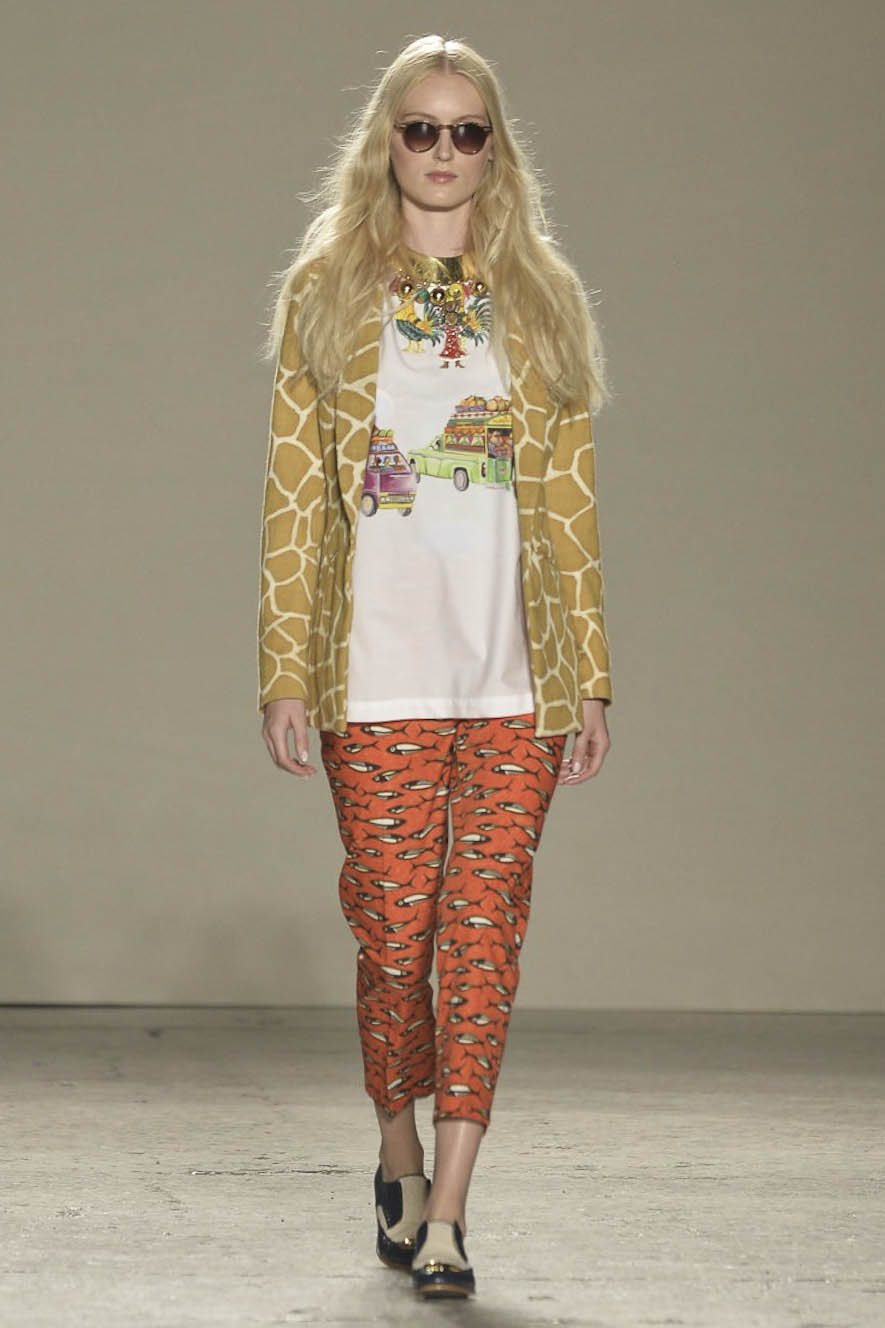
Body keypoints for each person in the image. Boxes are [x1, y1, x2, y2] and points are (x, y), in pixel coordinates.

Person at [257, 33, 614, 1300]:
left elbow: (571, 507)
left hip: (515, 678)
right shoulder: (327, 295)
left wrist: (591, 674)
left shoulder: (543, 300)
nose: (446, 151)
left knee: (483, 934)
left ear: (496, 148)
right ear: (388, 143)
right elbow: (295, 500)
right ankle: (398, 1148)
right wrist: (284, 668)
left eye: (469, 130)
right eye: (423, 128)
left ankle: (451, 1211)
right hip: (376, 677)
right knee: (394, 936)